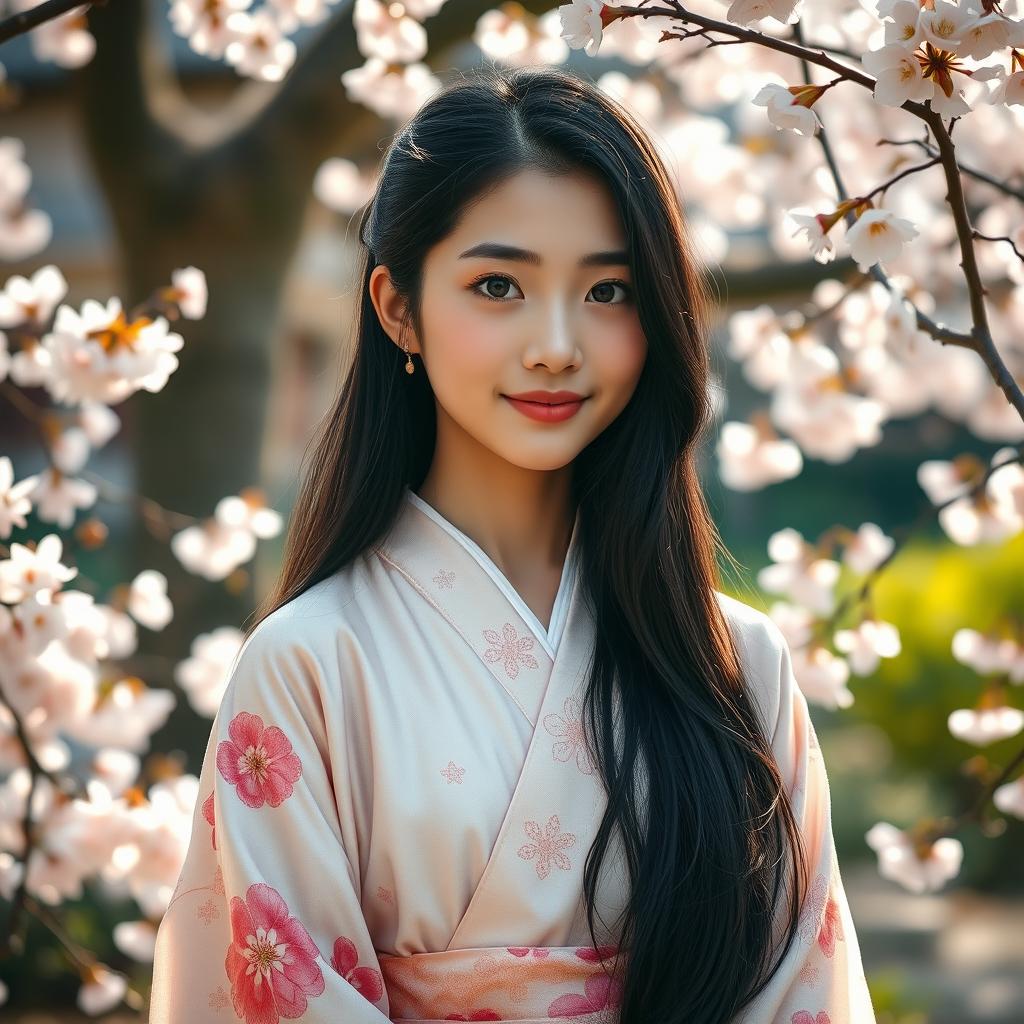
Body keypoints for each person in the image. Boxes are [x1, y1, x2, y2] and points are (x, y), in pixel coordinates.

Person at [149, 65, 876, 1024]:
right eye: (499, 285)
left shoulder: (736, 662)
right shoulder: (308, 667)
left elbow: (802, 995)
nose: (557, 345)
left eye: (610, 290)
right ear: (397, 306)